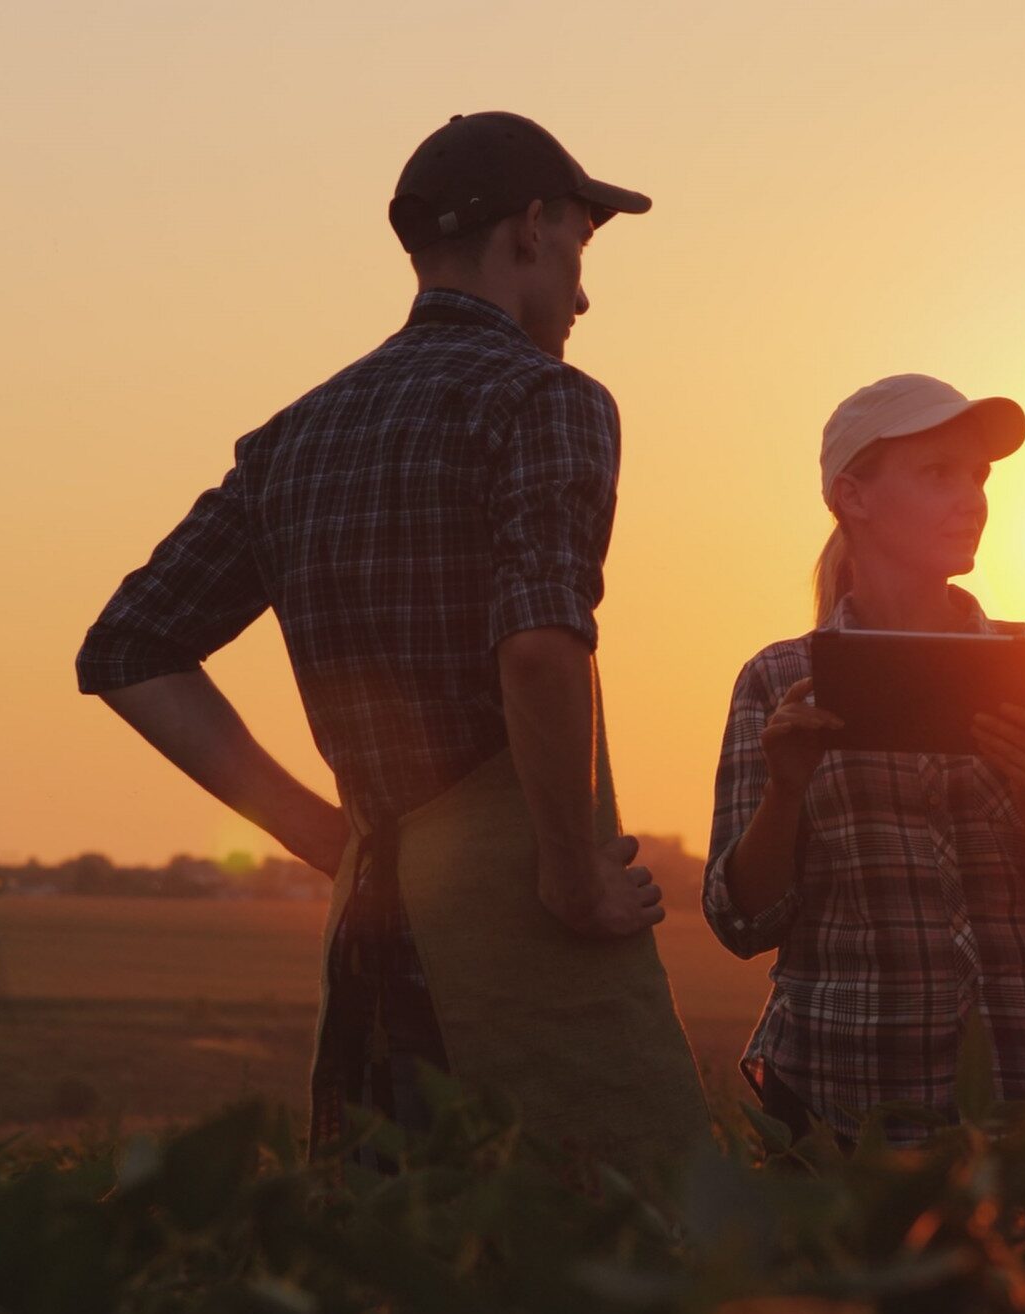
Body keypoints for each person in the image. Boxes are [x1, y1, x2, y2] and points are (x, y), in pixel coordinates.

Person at [75, 112, 709, 1170]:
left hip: (373, 947)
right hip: (524, 949)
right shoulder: (544, 398)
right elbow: (540, 646)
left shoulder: (294, 437)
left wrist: (326, 836)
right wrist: (571, 872)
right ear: (532, 227)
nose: (584, 296)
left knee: (393, 1238)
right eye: (579, 248)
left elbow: (128, 650)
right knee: (601, 1225)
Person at [702, 374, 1025, 1145]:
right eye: (939, 473)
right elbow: (740, 920)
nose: (972, 500)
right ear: (853, 497)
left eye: (979, 476)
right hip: (844, 1106)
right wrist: (785, 792)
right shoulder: (777, 680)